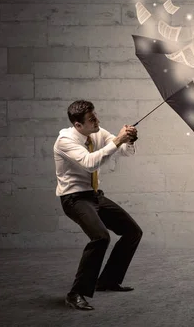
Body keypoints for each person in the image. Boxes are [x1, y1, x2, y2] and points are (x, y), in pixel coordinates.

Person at [53, 100, 143, 311]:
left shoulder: (96, 132)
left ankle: (108, 281)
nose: (97, 121)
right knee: (101, 237)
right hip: (74, 199)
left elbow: (124, 152)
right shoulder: (64, 141)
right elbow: (90, 162)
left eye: (96, 116)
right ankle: (75, 294)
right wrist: (118, 140)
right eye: (92, 119)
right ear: (78, 125)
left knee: (132, 232)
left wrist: (128, 140)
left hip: (94, 196)